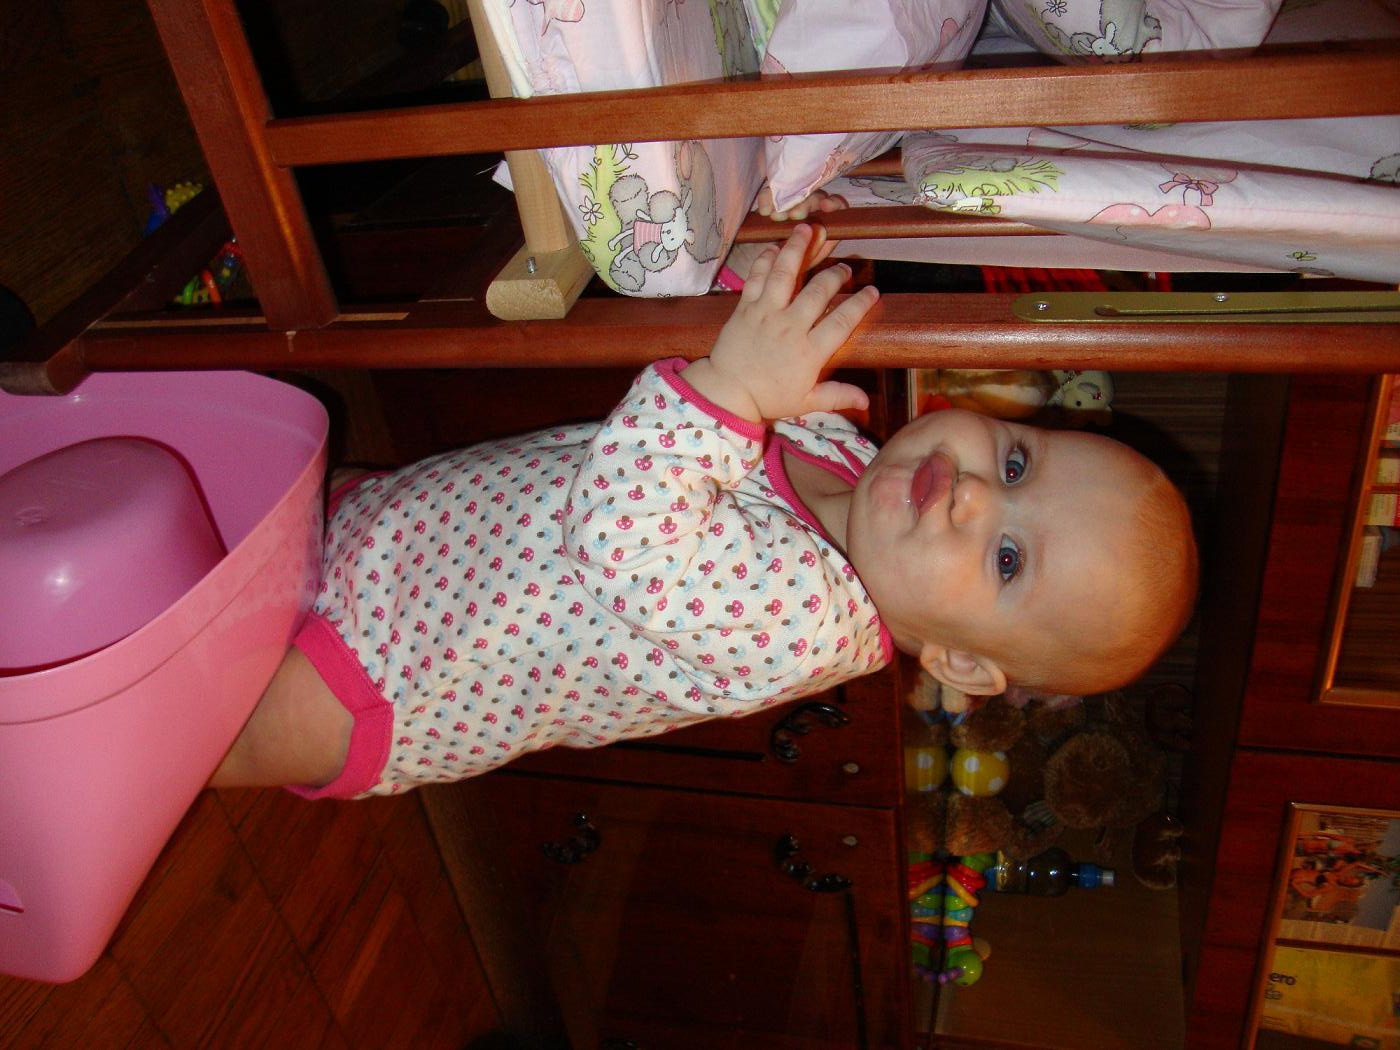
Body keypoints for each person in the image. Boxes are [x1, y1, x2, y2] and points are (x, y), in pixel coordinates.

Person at [211, 223, 1197, 799]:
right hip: (402, 535)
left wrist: (736, 388)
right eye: (1016, 462)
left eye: (1007, 559)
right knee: (193, 557)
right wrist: (761, 265)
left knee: (191, 733)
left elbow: (623, 539)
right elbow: (737, 335)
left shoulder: (803, 624)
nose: (977, 494)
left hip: (391, 682)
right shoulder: (847, 456)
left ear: (962, 664)